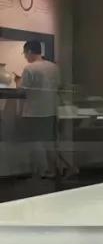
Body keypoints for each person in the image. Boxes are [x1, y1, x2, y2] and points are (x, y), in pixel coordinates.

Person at [19, 41, 61, 178]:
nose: (25, 57)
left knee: (35, 143)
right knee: (49, 144)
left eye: (25, 53)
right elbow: (58, 86)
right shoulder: (54, 67)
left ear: (30, 52)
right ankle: (53, 170)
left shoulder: (29, 68)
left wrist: (17, 81)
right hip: (51, 110)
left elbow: (22, 90)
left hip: (34, 112)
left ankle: (38, 171)